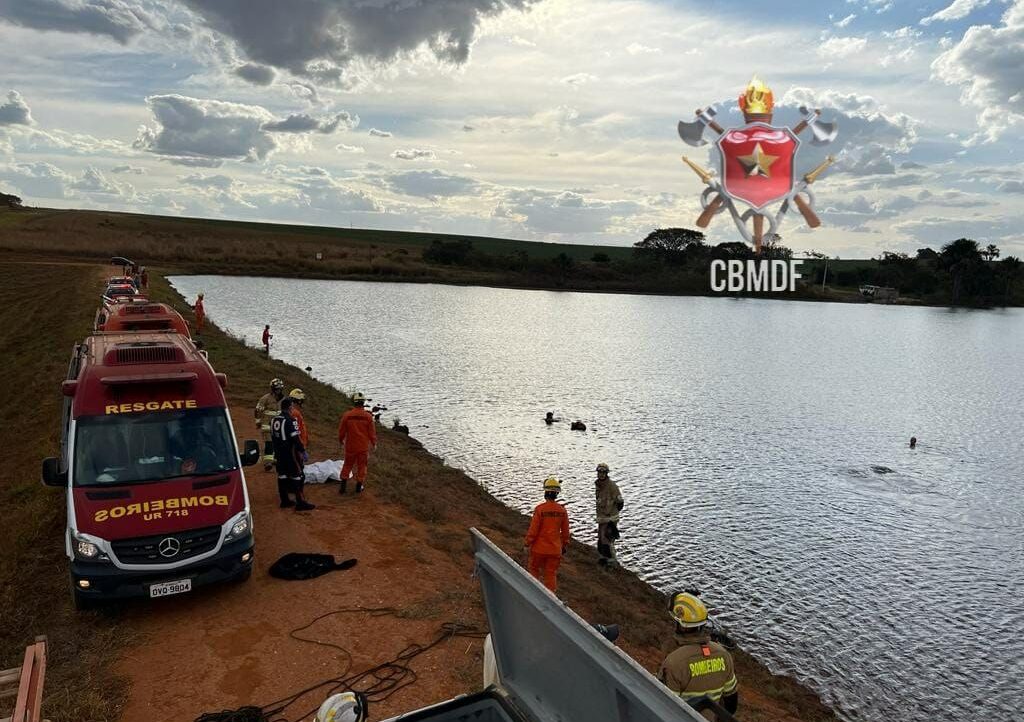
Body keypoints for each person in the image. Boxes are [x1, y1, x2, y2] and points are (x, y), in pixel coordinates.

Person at [658, 592, 738, 718]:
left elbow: (665, 707)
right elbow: (731, 704)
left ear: (681, 626)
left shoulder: (674, 662)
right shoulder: (724, 655)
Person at [524, 477, 571, 593]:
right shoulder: (562, 511)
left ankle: (533, 593)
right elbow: (565, 532)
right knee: (550, 574)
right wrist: (564, 545)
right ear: (557, 494)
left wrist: (527, 543)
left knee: (534, 569)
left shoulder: (540, 509)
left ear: (545, 492)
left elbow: (533, 530)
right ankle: (551, 598)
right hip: (555, 550)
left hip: (538, 549)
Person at [271, 397, 314, 511]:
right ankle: (300, 502)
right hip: (290, 454)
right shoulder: (291, 420)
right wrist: (302, 451)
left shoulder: (274, 420)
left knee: (282, 476)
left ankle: (284, 500)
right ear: (290, 407)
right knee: (297, 476)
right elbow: (296, 438)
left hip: (279, 453)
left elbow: (273, 438)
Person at [337, 392, 377, 494]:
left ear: (354, 402)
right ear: (363, 402)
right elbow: (371, 432)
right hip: (363, 447)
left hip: (350, 446)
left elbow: (342, 430)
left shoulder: (347, 415)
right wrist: (374, 443)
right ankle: (358, 487)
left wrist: (341, 440)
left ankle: (343, 487)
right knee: (362, 466)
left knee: (347, 465)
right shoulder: (368, 417)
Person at [595, 462, 624, 567]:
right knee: (601, 538)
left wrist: (612, 516)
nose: (601, 474)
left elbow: (620, 502)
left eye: (603, 472)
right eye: (599, 472)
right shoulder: (599, 485)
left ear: (607, 473)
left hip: (610, 518)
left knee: (608, 539)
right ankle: (604, 558)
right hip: (602, 518)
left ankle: (612, 561)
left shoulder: (612, 486)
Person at [255, 378, 286, 470]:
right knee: (269, 443)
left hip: (279, 425)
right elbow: (258, 410)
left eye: (280, 389)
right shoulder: (265, 398)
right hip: (267, 424)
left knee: (279, 443)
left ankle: (276, 459)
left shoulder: (284, 399)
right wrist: (258, 422)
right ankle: (268, 463)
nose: (278, 391)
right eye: (276, 389)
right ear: (272, 389)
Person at [289, 388, 309, 458]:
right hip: (297, 447)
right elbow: (296, 432)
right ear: (298, 401)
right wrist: (301, 449)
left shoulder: (291, 411)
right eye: (301, 401)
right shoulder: (295, 413)